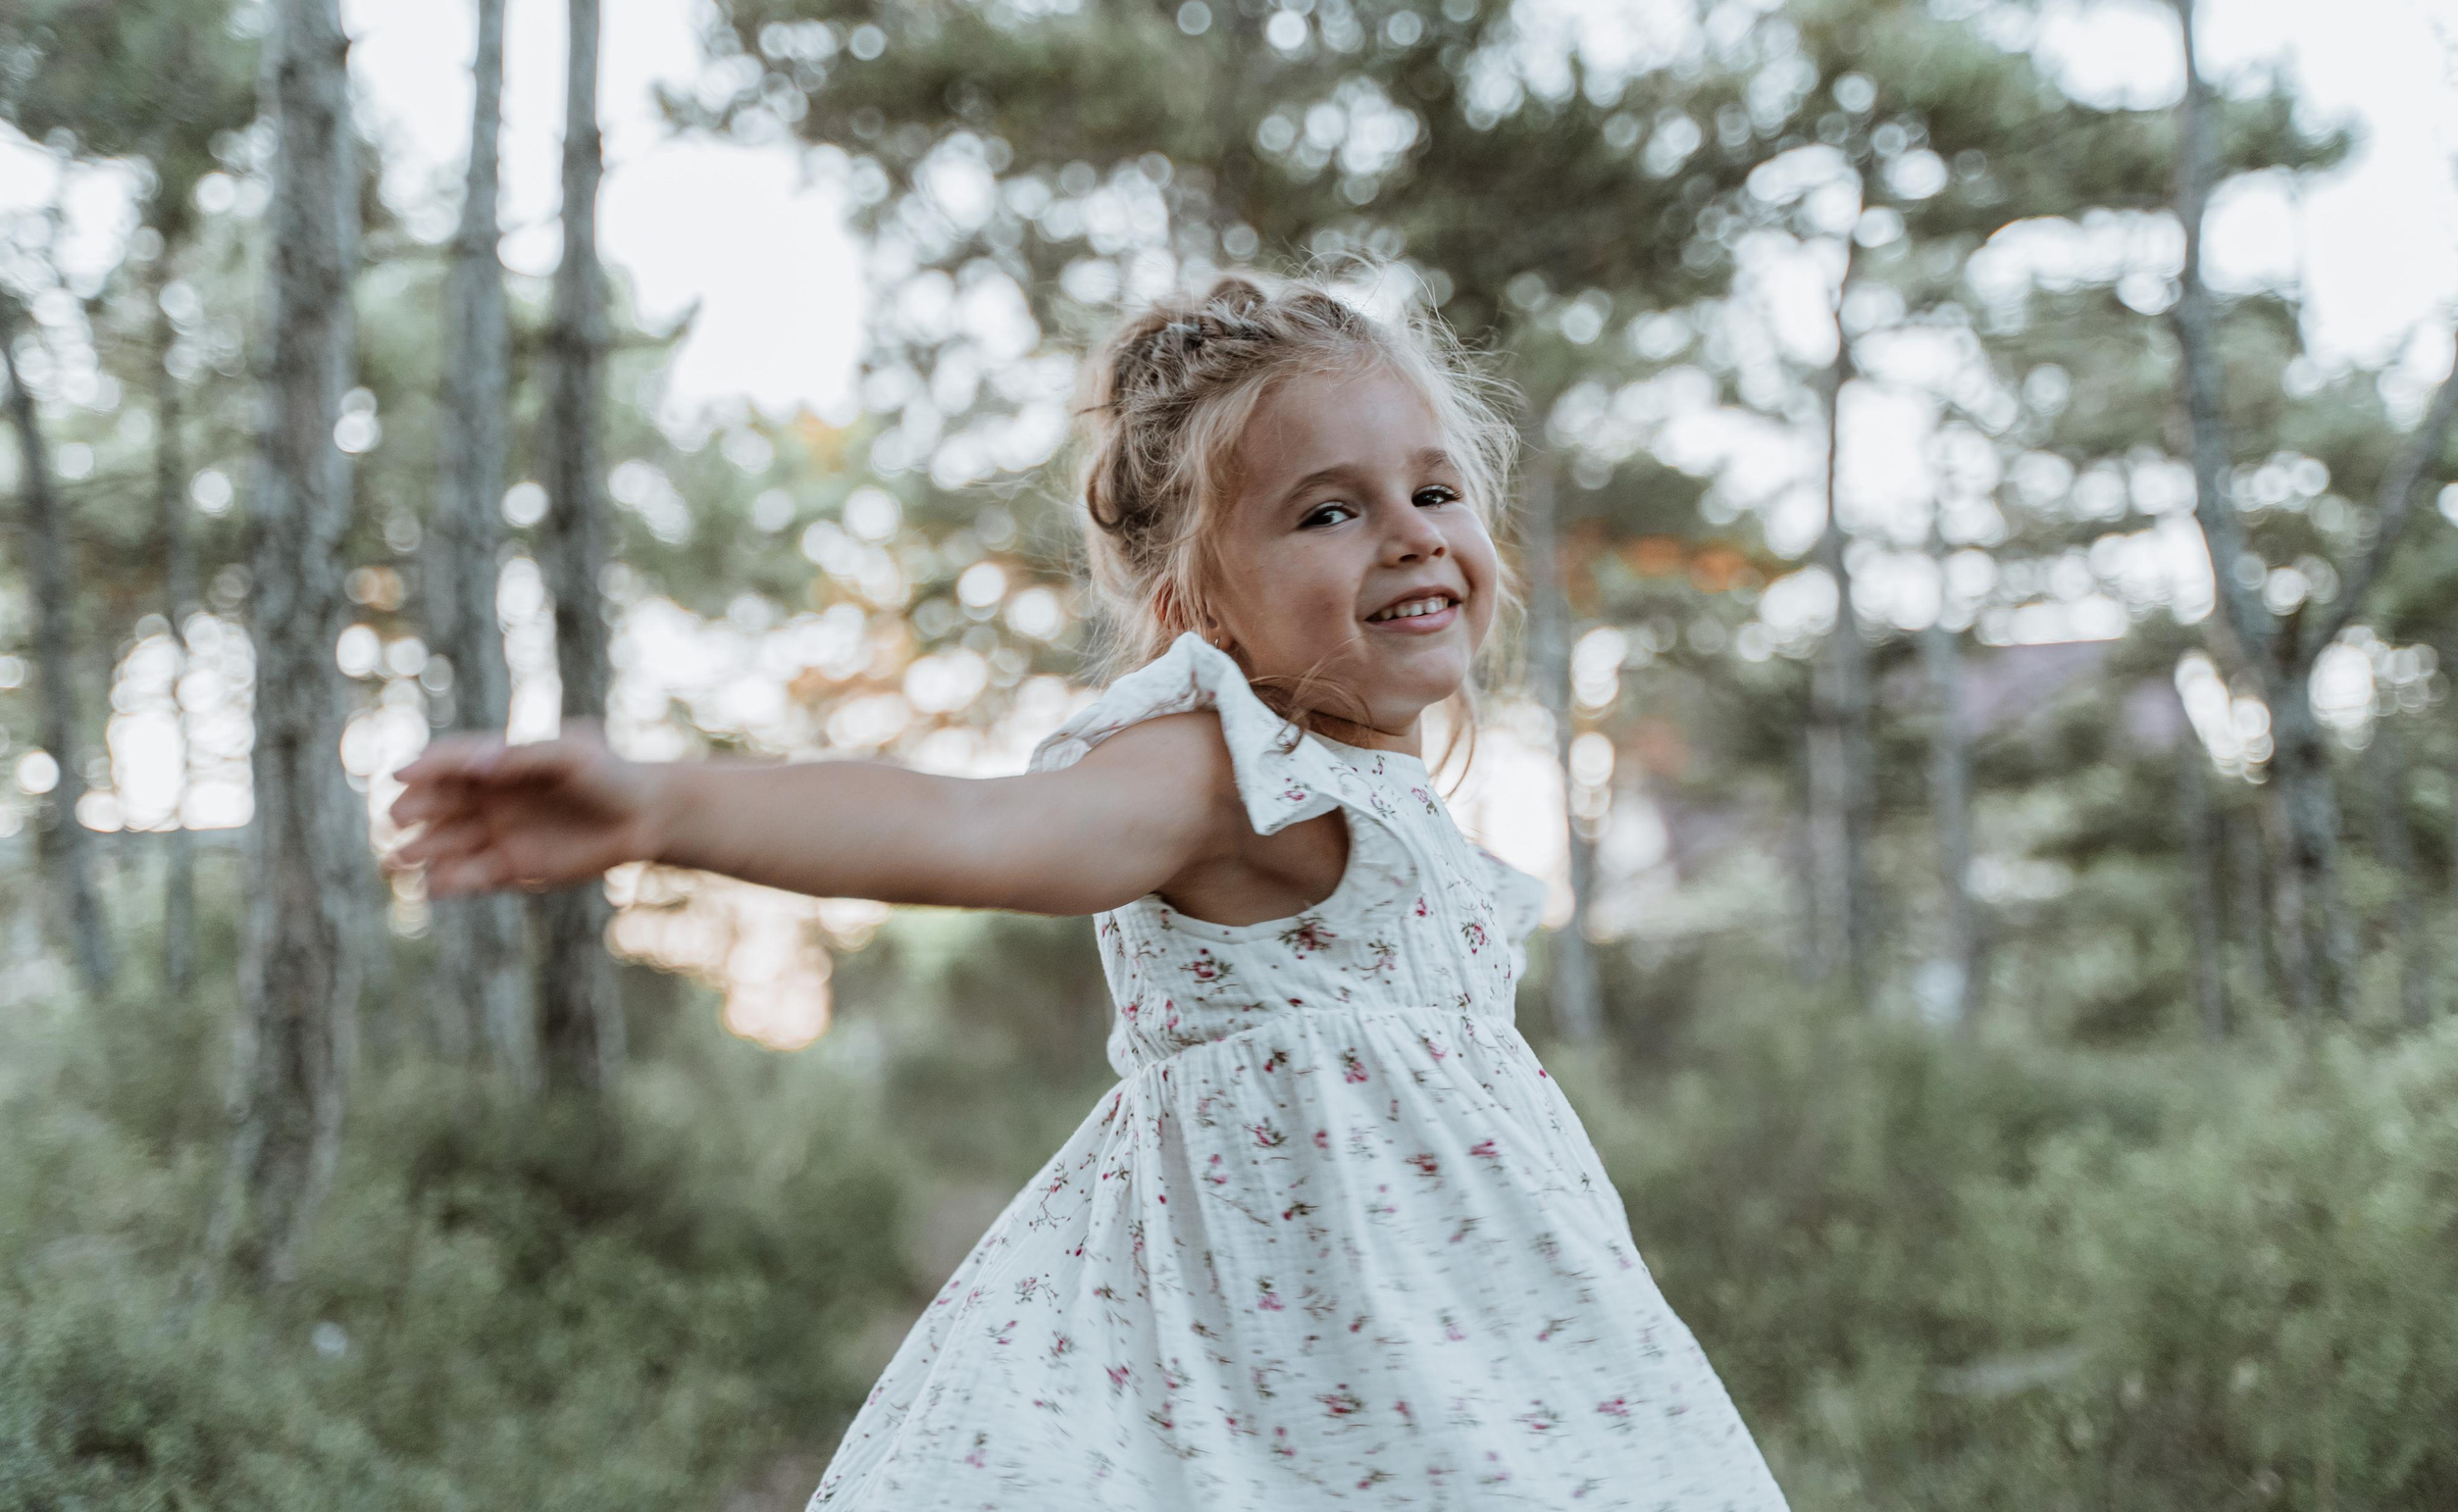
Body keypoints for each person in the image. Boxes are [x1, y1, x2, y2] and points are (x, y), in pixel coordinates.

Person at [389, 273, 1789, 1509]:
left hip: (1464, 1354)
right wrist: (665, 805)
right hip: (1287, 1378)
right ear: (1199, 603)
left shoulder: (1372, 790)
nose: (1414, 535)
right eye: (1328, 512)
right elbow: (976, 829)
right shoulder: (1221, 773)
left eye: (1433, 491)